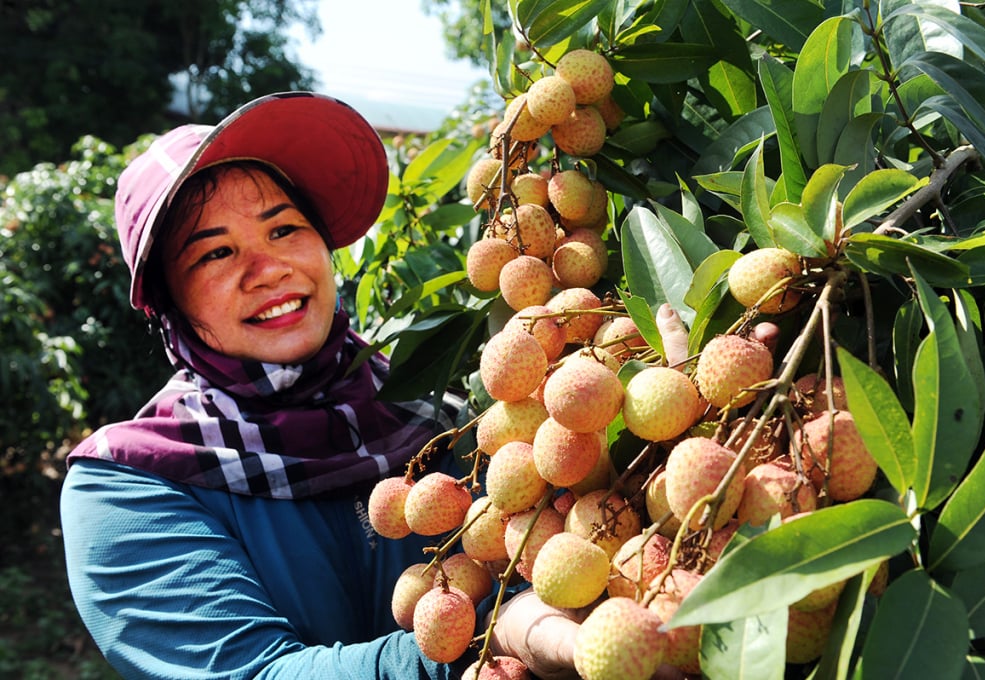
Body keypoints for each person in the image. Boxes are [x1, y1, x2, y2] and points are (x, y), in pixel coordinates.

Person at [60, 91, 689, 680]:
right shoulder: (128, 487)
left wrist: (657, 435)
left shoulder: (429, 419)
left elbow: (532, 558)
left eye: (284, 229)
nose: (268, 268)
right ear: (171, 303)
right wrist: (491, 638)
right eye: (214, 254)